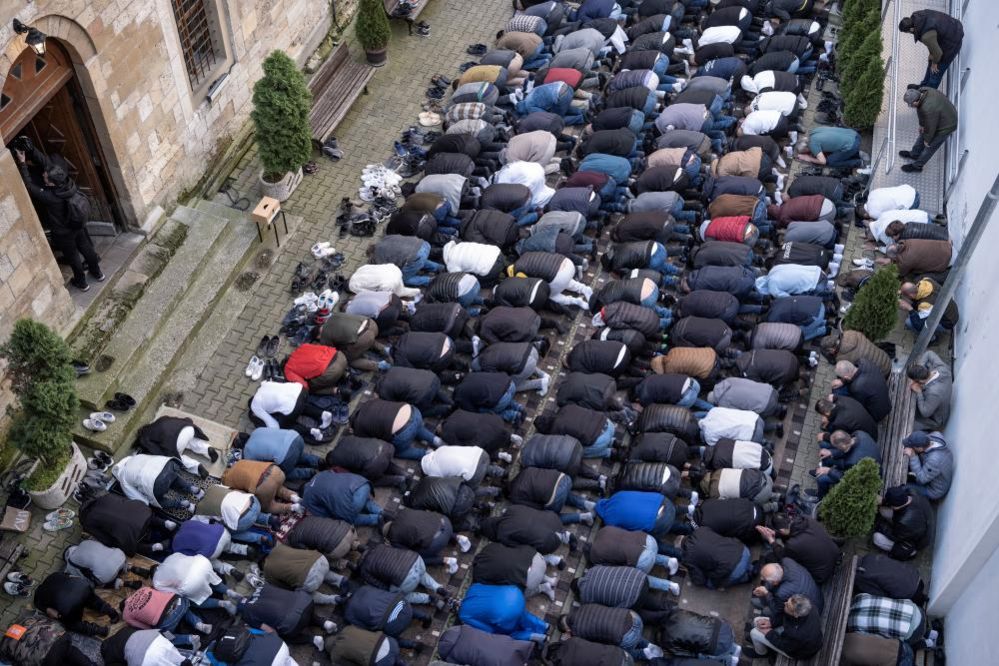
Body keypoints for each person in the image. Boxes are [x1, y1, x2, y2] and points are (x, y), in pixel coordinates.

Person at [14, 142, 104, 291]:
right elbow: (47, 165)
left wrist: (22, 163)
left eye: (45, 178)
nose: (43, 177)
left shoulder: (50, 197)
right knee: (86, 247)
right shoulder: (68, 183)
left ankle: (82, 283)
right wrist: (32, 149)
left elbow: (29, 186)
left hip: (64, 232)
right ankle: (98, 273)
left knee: (73, 256)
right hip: (77, 224)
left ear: (51, 184)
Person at [757, 514, 841, 585]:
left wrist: (771, 540)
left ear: (781, 530)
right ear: (789, 517)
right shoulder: (806, 518)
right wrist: (775, 534)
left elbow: (782, 556)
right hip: (835, 555)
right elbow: (793, 531)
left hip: (821, 575)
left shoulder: (793, 544)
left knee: (773, 558)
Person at [33, 572, 120, 637]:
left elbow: (51, 612)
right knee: (94, 601)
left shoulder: (38, 600)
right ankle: (113, 613)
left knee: (72, 623)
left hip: (69, 605)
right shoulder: (53, 575)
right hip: (82, 586)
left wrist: (59, 616)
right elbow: (71, 576)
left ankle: (100, 631)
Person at [898, 10, 964, 89]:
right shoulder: (918, 15)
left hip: (953, 42)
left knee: (935, 71)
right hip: (954, 26)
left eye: (907, 32)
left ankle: (928, 92)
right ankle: (923, 87)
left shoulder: (926, 36)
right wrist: (931, 54)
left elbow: (938, 53)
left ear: (911, 29)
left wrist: (935, 63)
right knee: (931, 59)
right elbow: (933, 41)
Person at [899, 87, 957, 173]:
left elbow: (931, 127)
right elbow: (920, 111)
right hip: (940, 116)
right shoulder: (923, 91)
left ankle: (917, 166)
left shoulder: (928, 108)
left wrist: (927, 140)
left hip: (946, 125)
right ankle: (914, 154)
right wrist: (922, 125)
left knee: (929, 148)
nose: (910, 106)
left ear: (915, 101)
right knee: (922, 136)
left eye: (910, 104)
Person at [748, 594, 822, 660]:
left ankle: (762, 653)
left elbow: (784, 646)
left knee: (754, 633)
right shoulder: (809, 606)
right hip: (796, 639)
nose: (785, 603)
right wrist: (771, 623)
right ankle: (760, 642)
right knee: (757, 620)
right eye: (787, 601)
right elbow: (787, 616)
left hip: (798, 652)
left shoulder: (797, 634)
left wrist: (769, 633)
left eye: (787, 606)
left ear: (796, 614)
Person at [812, 429, 882, 499]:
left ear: (842, 446)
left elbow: (845, 478)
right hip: (864, 458)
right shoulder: (859, 433)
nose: (835, 448)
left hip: (863, 479)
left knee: (821, 479)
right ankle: (821, 470)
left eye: (836, 447)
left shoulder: (851, 462)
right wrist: (831, 452)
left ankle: (820, 497)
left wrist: (829, 471)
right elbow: (847, 449)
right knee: (827, 457)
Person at [680, 526, 754, 589]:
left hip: (735, 569)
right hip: (743, 549)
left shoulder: (687, 558)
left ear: (682, 548)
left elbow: (699, 580)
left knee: (710, 584)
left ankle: (746, 577)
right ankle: (750, 567)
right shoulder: (701, 530)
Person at [873, 486, 933, 560]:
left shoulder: (904, 522)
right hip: (920, 525)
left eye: (891, 505)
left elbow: (894, 535)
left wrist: (880, 525)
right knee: (883, 510)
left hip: (917, 542)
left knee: (877, 538)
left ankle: (911, 553)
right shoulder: (912, 491)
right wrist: (883, 501)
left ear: (896, 507)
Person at [753, 559, 823, 618]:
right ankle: (762, 602)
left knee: (767, 611)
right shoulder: (787, 561)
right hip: (816, 594)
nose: (761, 578)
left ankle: (762, 608)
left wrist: (766, 593)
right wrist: (766, 588)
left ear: (775, 582)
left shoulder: (782, 592)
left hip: (811, 611)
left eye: (764, 578)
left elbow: (776, 610)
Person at [906, 350, 952, 430]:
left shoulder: (934, 393)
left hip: (936, 419)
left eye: (914, 380)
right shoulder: (942, 369)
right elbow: (929, 353)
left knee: (908, 415)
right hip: (938, 401)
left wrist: (919, 392)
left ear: (920, 381)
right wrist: (919, 369)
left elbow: (925, 413)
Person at [902, 431, 953, 500]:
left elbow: (921, 479)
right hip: (932, 473)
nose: (911, 448)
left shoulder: (934, 460)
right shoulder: (935, 435)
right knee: (909, 472)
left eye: (912, 447)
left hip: (934, 490)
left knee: (904, 487)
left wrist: (913, 456)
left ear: (920, 448)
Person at [795, 126, 863, 169]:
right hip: (854, 134)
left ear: (807, 148)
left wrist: (808, 158)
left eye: (805, 152)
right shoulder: (814, 131)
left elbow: (823, 161)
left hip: (852, 145)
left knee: (830, 162)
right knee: (835, 149)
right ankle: (857, 153)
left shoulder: (812, 145)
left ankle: (858, 162)